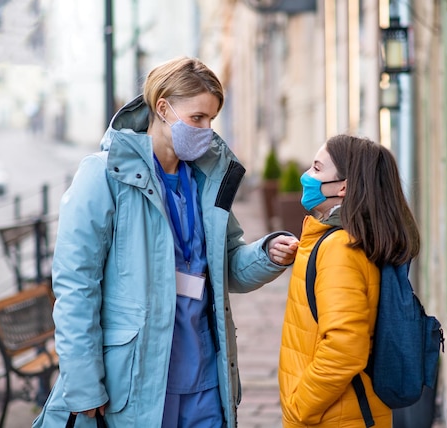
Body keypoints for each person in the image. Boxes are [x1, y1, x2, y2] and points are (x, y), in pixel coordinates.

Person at [32, 57, 299, 428]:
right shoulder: (104, 174)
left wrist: (268, 254)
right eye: (197, 118)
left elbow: (227, 265)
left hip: (205, 377)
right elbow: (76, 286)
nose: (206, 130)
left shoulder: (205, 181)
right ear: (163, 108)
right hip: (136, 380)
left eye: (211, 119)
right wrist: (83, 383)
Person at [278, 135, 420, 427]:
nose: (307, 176)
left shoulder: (339, 248)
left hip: (335, 416)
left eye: (317, 169)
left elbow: (344, 347)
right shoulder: (348, 240)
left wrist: (301, 406)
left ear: (343, 187)